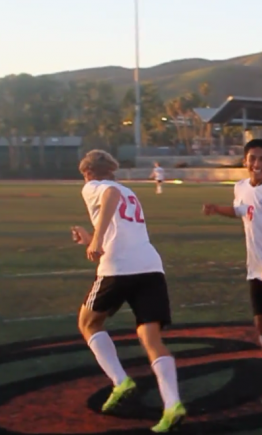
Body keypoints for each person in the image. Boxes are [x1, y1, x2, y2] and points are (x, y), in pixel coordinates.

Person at [70, 150, 185, 433]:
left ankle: (121, 381)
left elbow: (109, 197)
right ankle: (172, 405)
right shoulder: (129, 190)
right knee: (150, 337)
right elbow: (120, 226)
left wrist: (95, 239)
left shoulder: (95, 187)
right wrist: (92, 237)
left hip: (119, 267)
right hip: (150, 265)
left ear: (87, 173)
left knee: (88, 322)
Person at [202, 139, 262, 404]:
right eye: (252, 158)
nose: (257, 164)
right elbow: (242, 211)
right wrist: (216, 209)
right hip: (256, 270)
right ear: (245, 161)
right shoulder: (241, 187)